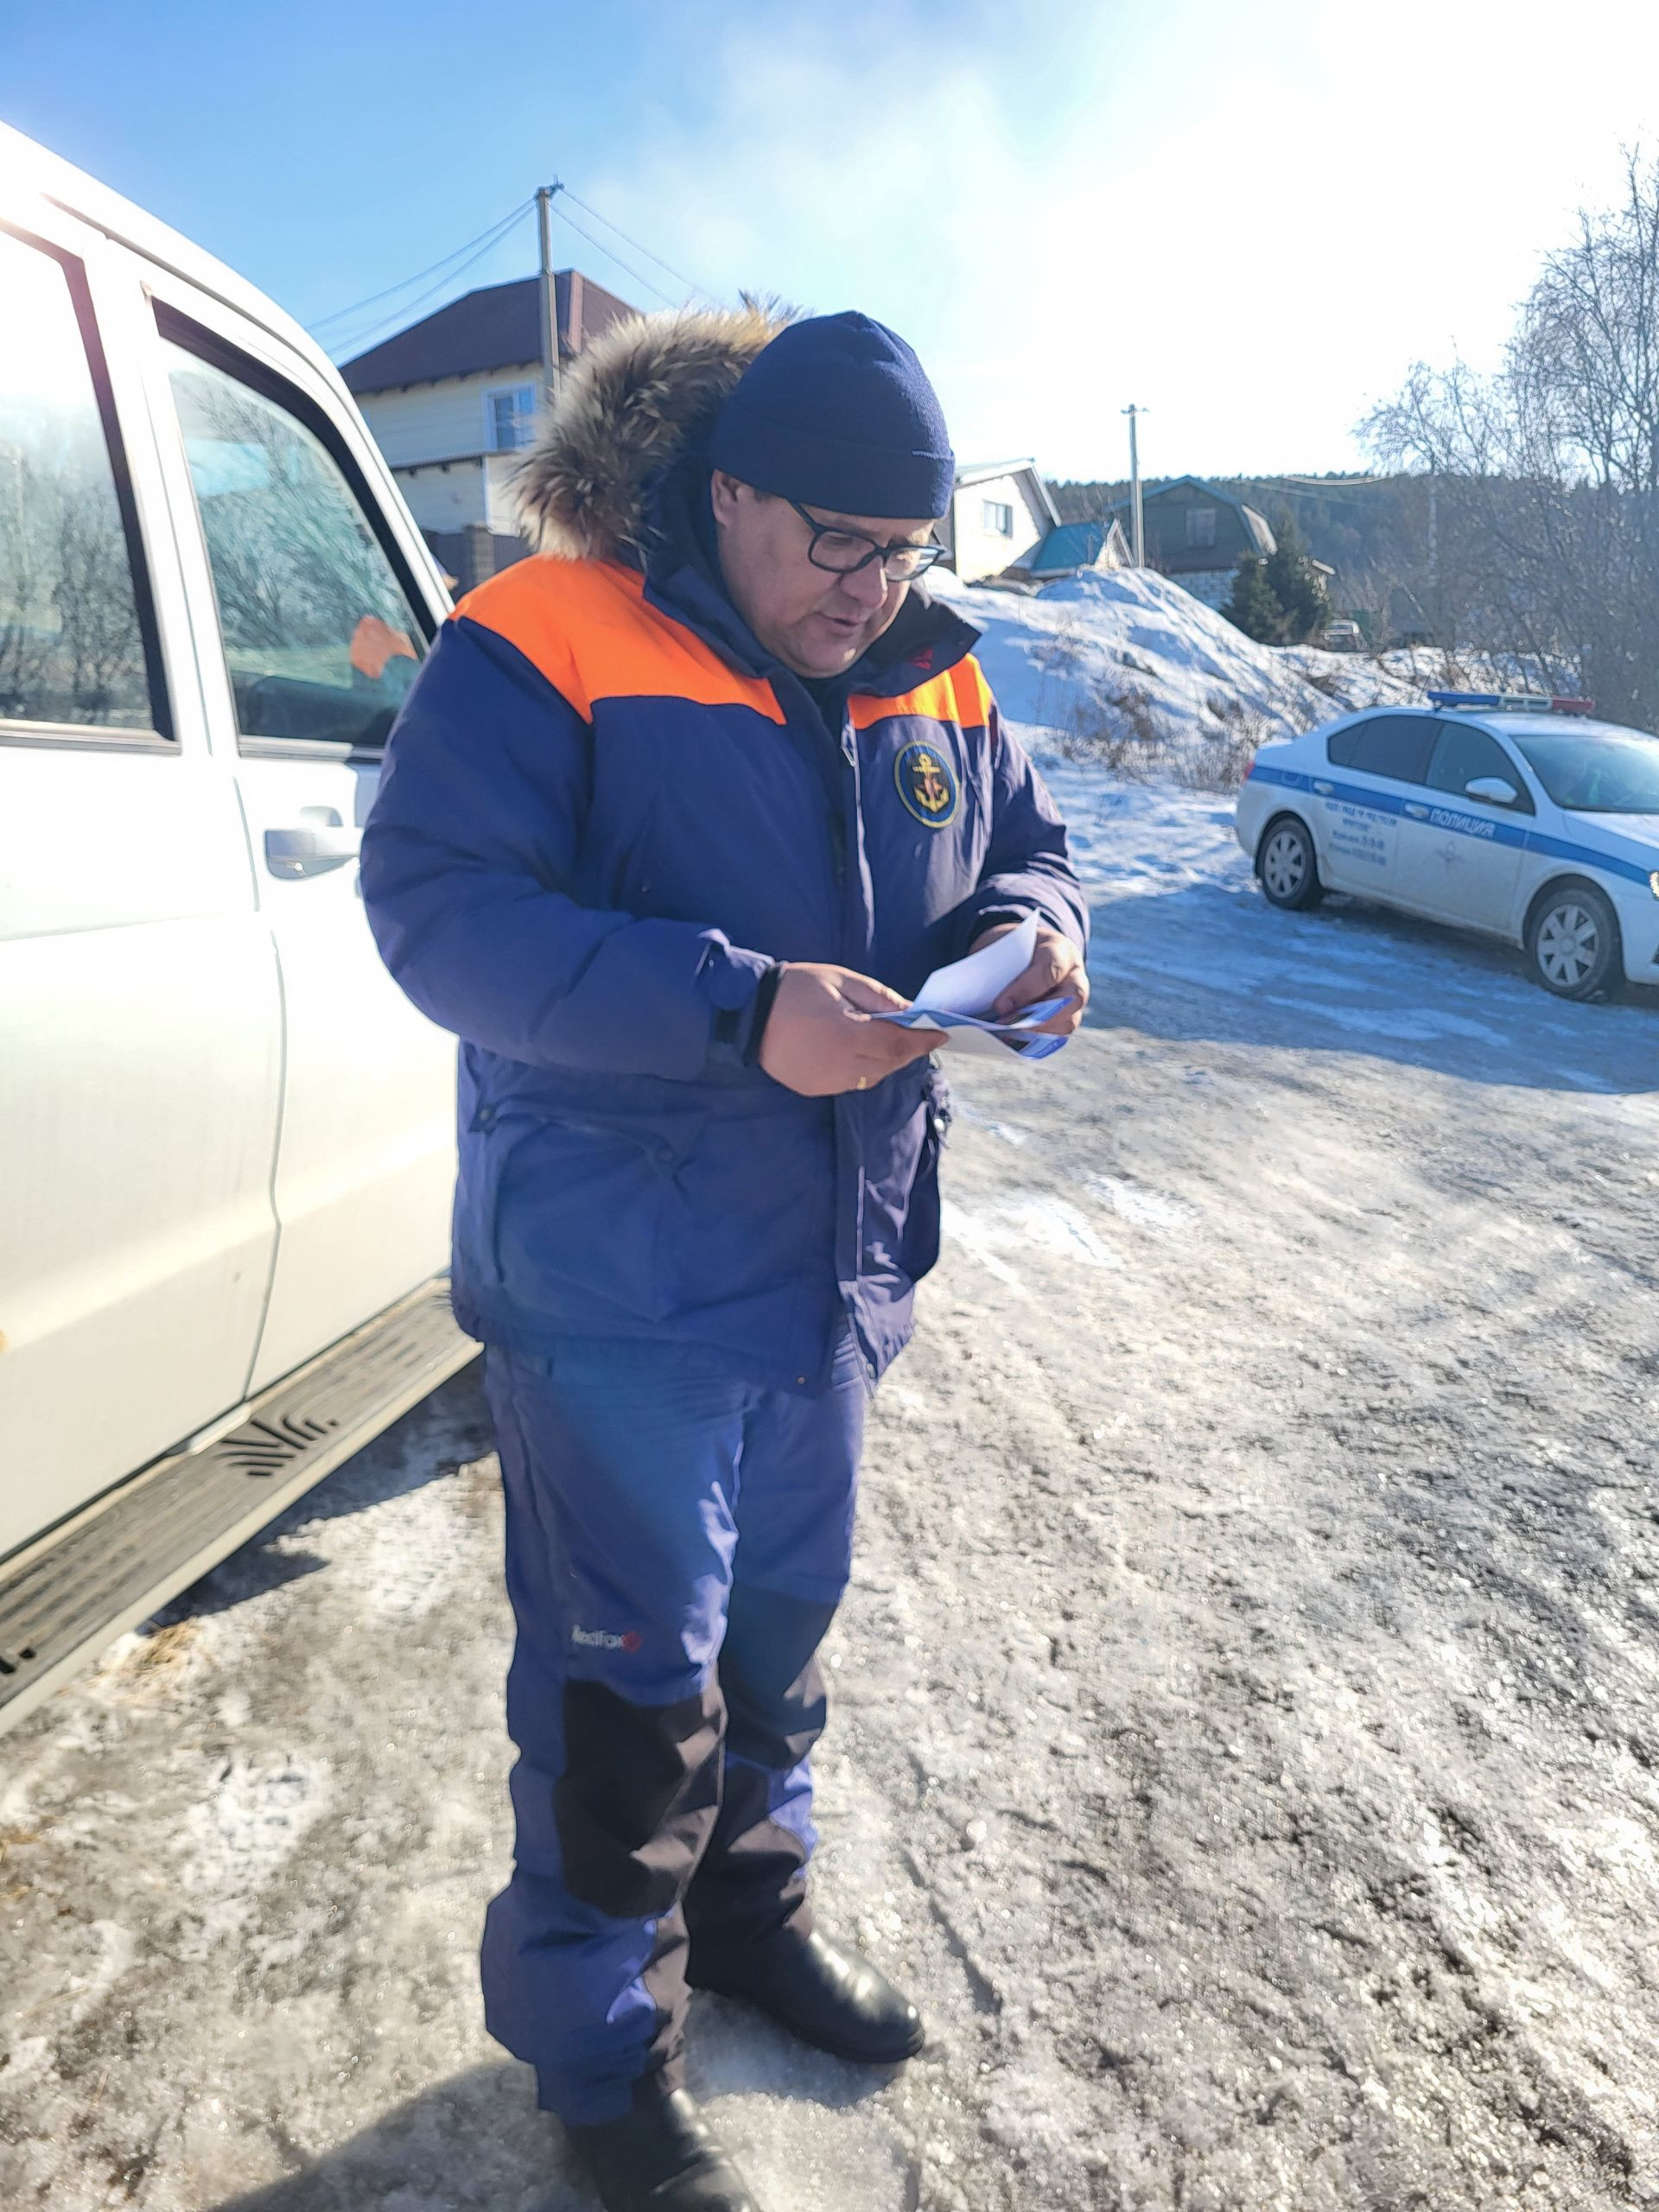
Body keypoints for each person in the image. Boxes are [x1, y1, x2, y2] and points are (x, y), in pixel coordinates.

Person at [360, 305, 1089, 2212]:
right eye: (831, 542)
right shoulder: (545, 635)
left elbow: (1031, 839)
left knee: (775, 1647)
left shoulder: (937, 669)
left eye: (903, 549)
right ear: (728, 490)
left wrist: (1039, 927)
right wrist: (738, 1007)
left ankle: (753, 1920)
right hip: (618, 1294)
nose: (867, 586)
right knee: (629, 1693)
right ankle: (603, 2061)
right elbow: (439, 911)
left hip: (831, 1279)